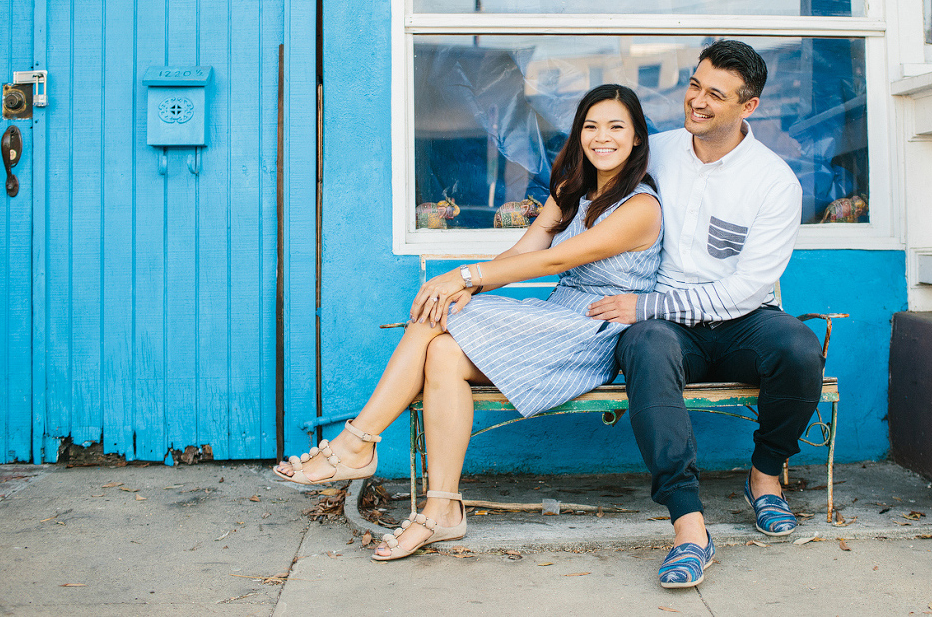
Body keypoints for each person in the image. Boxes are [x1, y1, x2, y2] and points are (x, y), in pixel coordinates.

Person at [273, 84, 663, 561]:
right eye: (591, 126)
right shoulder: (574, 191)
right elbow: (526, 250)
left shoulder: (641, 208)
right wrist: (468, 288)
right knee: (441, 345)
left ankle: (358, 443)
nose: (602, 137)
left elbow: (552, 263)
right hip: (556, 318)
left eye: (616, 127)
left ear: (639, 137)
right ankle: (443, 509)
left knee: (438, 314)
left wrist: (462, 275)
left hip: (595, 334)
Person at [588, 40, 825, 589]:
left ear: (749, 106)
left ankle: (766, 478)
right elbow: (584, 182)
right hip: (668, 330)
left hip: (741, 320)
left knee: (798, 348)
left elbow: (744, 291)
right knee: (646, 346)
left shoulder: (773, 182)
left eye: (715, 94)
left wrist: (647, 304)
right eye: (694, 85)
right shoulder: (658, 151)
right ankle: (688, 525)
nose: (696, 100)